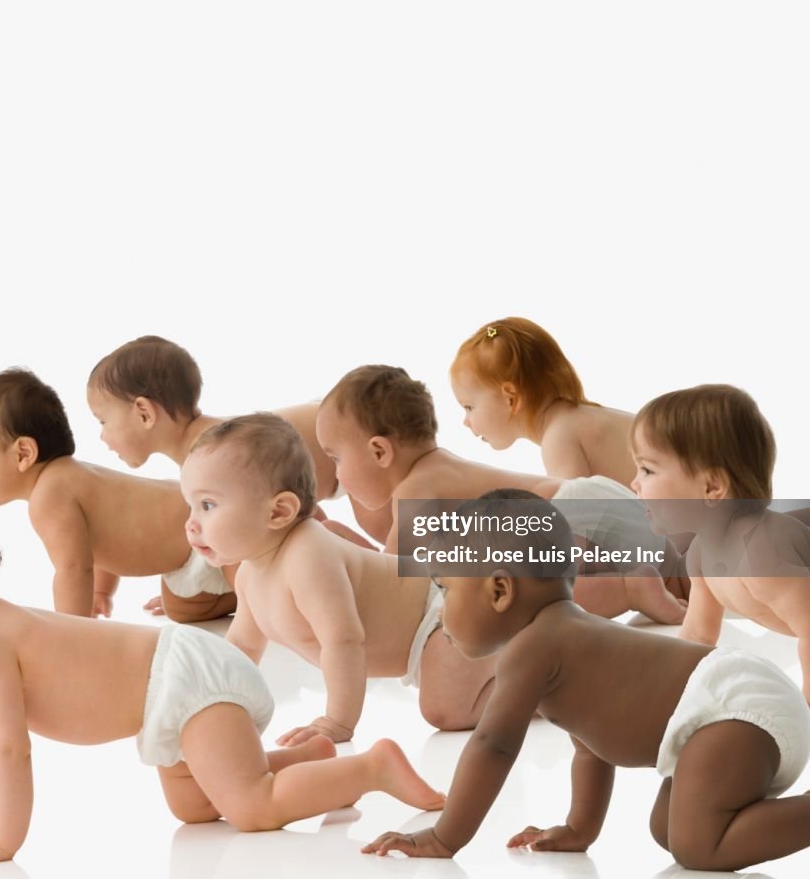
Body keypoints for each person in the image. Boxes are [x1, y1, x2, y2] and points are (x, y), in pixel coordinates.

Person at [0, 482, 445, 868]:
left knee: (248, 809)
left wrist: (3, 839)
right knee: (196, 807)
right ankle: (313, 763)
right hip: (165, 705)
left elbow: (8, 748)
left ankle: (371, 768)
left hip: (186, 682)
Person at [364, 490, 810, 872]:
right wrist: (581, 828)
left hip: (732, 707)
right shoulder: (565, 638)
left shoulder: (535, 647)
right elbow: (591, 745)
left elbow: (492, 746)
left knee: (698, 844)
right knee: (669, 831)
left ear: (500, 591)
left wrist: (445, 838)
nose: (440, 611)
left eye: (444, 589)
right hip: (729, 703)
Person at [180, 413, 497, 739]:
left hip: (446, 608)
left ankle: (532, 675)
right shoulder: (250, 574)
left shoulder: (307, 554)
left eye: (207, 505)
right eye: (189, 505)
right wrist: (212, 703)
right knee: (444, 694)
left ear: (278, 512)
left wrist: (338, 722)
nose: (191, 523)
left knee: (445, 707)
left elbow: (343, 640)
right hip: (428, 638)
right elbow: (242, 648)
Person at [317, 364, 688, 623]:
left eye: (335, 458)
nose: (335, 474)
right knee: (675, 574)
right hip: (594, 499)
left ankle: (632, 590)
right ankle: (676, 587)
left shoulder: (414, 491)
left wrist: (333, 541)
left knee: (536, 603)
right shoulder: (440, 467)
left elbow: (392, 579)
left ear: (380, 451)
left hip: (563, 518)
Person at [0, 368, 234, 622]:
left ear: (23, 453)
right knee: (182, 610)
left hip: (206, 524)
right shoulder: (65, 480)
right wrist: (100, 591)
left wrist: (72, 633)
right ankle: (234, 594)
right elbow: (99, 539)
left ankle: (253, 594)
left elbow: (73, 569)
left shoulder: (49, 496)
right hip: (185, 550)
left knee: (250, 593)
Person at [87, 335, 390, 547]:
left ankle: (402, 580)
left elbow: (299, 519)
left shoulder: (216, 451)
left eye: (103, 421)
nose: (102, 436)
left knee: (390, 526)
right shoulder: (201, 457)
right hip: (328, 445)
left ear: (144, 413)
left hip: (351, 430)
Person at [631, 383, 810, 700]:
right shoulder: (700, 554)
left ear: (712, 487)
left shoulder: (760, 551)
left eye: (647, 469)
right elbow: (698, 636)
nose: (634, 483)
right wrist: (661, 692)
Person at [450, 317, 636, 487]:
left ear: (510, 398)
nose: (465, 422)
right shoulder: (576, 418)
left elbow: (574, 517)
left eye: (469, 407)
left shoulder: (558, 438)